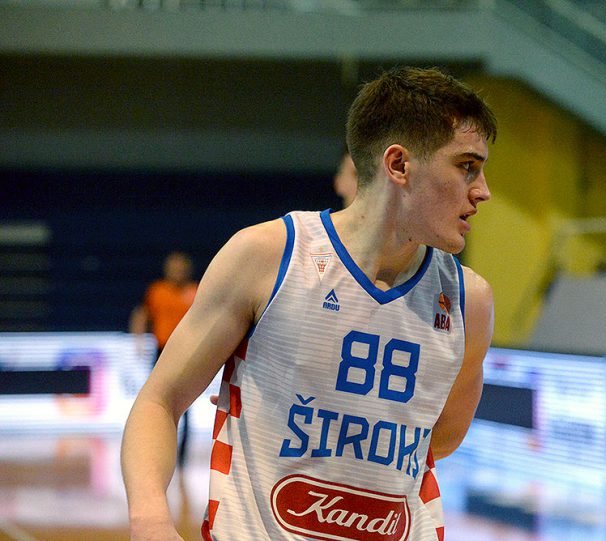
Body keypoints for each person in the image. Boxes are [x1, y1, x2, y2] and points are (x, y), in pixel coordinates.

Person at [121, 66, 497, 541]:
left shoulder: (469, 301)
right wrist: (152, 520)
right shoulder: (268, 255)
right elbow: (159, 401)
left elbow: (439, 439)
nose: (483, 191)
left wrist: (336, 413)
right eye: (467, 166)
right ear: (399, 165)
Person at [128, 251, 198, 467]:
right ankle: (157, 454)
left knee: (186, 408)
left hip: (188, 354)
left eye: (181, 268)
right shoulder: (157, 290)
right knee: (158, 403)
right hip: (162, 352)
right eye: (173, 268)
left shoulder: (195, 291)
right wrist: (138, 339)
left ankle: (181, 459)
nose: (177, 272)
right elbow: (142, 313)